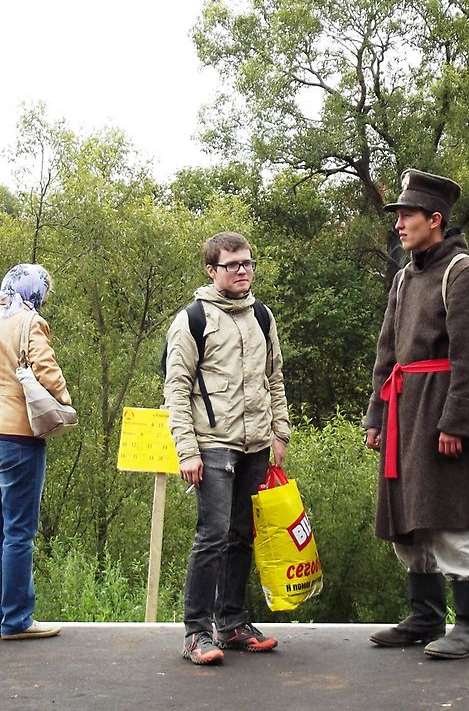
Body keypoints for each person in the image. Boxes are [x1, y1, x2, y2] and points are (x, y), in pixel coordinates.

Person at [364, 169, 469, 659]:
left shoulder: (464, 274)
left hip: (442, 409)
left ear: (435, 220)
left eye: (408, 215)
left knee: (453, 519)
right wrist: (376, 417)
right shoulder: (404, 277)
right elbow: (387, 355)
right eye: (397, 216)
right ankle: (425, 617)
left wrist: (458, 423)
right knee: (411, 519)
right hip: (404, 410)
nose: (399, 224)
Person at [164, 231, 291, 666]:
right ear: (211, 270)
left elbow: (274, 378)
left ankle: (233, 624)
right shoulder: (193, 319)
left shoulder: (262, 316)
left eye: (247, 263)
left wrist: (281, 433)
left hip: (256, 443)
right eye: (232, 264)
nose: (242, 271)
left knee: (242, 536)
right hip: (212, 445)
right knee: (212, 537)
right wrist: (186, 450)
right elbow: (176, 390)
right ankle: (196, 632)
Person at [0, 263, 70, 640]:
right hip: (15, 435)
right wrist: (63, 400)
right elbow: (44, 367)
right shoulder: (28, 320)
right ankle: (17, 620)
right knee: (19, 531)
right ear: (34, 290)